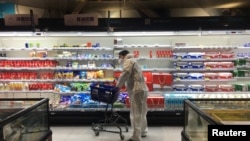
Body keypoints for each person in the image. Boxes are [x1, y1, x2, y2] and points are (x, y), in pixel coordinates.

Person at [116, 50, 148, 141]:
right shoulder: (134, 60)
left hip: (136, 90)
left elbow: (125, 74)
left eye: (119, 57)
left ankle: (136, 137)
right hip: (142, 89)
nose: (120, 59)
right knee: (142, 112)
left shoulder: (128, 61)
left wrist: (118, 86)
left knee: (135, 113)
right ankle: (143, 131)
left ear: (122, 56)